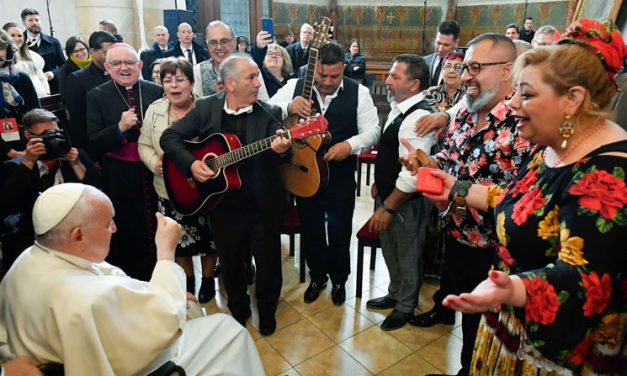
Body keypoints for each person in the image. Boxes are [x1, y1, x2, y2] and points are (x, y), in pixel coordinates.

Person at [429, 19, 627, 375]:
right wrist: (456, 188)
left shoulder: (608, 175)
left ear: (573, 99)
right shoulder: (558, 144)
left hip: (553, 356)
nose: (514, 104)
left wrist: (513, 289)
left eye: (528, 94)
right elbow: (518, 198)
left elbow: (583, 281)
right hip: (509, 329)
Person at [0, 183, 265, 375]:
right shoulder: (84, 298)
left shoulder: (27, 261)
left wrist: (163, 293)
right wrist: (166, 252)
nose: (114, 229)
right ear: (77, 236)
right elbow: (164, 321)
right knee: (228, 331)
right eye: (107, 223)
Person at [406, 34, 531, 376]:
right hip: (458, 234)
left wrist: (457, 189)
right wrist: (428, 163)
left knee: (487, 330)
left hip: (495, 249)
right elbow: (452, 159)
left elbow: (523, 195)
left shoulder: (523, 124)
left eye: (475, 67)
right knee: (468, 318)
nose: (465, 76)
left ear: (508, 70)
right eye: (464, 68)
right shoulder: (465, 111)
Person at [161, 54, 292, 335]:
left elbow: (284, 148)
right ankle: (238, 310)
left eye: (258, 76)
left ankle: (267, 312)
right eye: (251, 77)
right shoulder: (206, 108)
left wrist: (284, 149)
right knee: (231, 263)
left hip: (262, 205)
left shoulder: (270, 112)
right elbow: (169, 138)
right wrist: (192, 164)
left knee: (268, 264)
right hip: (220, 203)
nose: (258, 83)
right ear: (230, 83)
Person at [269, 42, 380, 306]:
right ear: (312, 70)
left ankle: (339, 279)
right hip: (304, 174)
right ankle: (317, 277)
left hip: (339, 176)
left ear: (343, 70)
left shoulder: (359, 93)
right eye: (321, 75)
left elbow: (373, 130)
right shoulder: (297, 86)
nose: (327, 82)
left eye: (334, 76)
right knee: (311, 229)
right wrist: (288, 106)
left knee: (340, 230)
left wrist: (349, 146)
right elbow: (266, 106)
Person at [365, 54, 436, 331]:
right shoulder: (399, 108)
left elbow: (411, 174)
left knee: (407, 253)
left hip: (404, 203)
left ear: (414, 84)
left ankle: (406, 305)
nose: (388, 80)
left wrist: (389, 206)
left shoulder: (418, 116)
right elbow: (390, 153)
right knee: (390, 249)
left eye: (395, 76)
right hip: (388, 194)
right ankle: (395, 293)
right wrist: (379, 184)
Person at [138, 57, 217, 303]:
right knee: (179, 240)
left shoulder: (206, 109)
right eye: (168, 80)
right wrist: (154, 162)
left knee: (208, 239)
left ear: (191, 83)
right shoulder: (154, 110)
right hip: (168, 188)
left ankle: (207, 279)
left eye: (180, 79)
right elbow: (144, 144)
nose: (174, 85)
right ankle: (188, 280)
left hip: (205, 188)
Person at [87, 42, 163, 280]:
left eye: (129, 62)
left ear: (140, 65)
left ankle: (161, 277)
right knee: (127, 230)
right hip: (119, 176)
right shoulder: (96, 96)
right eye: (117, 63)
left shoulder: (155, 91)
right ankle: (131, 280)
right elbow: (94, 142)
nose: (124, 67)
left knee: (158, 225)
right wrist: (119, 128)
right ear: (107, 67)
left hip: (154, 170)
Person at [0, 108, 99, 269]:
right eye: (46, 135)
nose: (53, 139)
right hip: (34, 240)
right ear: (28, 137)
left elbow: (97, 197)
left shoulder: (76, 156)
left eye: (56, 132)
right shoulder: (16, 167)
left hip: (76, 236)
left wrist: (76, 165)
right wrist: (29, 161)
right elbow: (7, 205)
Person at [63, 31, 117, 157]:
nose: (113, 58)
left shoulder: (120, 74)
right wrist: (90, 157)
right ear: (93, 52)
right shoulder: (77, 79)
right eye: (107, 53)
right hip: (96, 148)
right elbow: (78, 123)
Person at [193, 20, 268, 99]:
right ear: (208, 45)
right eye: (213, 42)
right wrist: (216, 98)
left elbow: (265, 106)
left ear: (234, 42)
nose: (219, 47)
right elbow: (194, 108)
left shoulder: (251, 69)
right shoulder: (198, 71)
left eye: (224, 41)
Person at [0, 29, 40, 162]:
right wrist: (11, 153)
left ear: (9, 51)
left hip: (28, 144)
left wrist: (35, 146)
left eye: (0, 48)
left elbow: (36, 114)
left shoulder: (22, 78)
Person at [20, 8, 65, 94]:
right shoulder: (19, 43)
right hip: (29, 90)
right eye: (30, 20)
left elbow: (64, 66)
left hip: (53, 88)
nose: (35, 23)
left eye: (37, 20)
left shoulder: (53, 42)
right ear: (24, 23)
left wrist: (53, 73)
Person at [2, 23, 49, 98]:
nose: (17, 39)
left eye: (20, 35)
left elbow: (41, 77)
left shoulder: (32, 56)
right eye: (12, 35)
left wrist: (47, 94)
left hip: (42, 99)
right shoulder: (3, 60)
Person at [252, 31, 294, 97]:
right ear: (263, 61)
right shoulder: (260, 77)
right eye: (270, 53)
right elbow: (256, 59)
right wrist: (258, 47)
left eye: (278, 54)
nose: (274, 56)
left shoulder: (292, 80)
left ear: (284, 60)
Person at [423, 20, 460, 87]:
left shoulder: (464, 64)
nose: (440, 49)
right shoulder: (424, 61)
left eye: (446, 45)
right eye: (438, 43)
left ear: (456, 43)